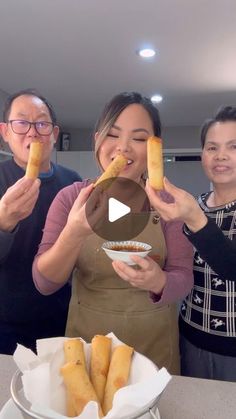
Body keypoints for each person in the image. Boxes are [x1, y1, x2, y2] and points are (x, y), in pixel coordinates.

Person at [32, 91, 193, 373]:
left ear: (154, 148)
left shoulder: (168, 203)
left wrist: (159, 281)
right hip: (88, 351)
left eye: (139, 138)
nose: (123, 148)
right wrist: (73, 232)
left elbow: (184, 276)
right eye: (113, 135)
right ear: (97, 140)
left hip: (154, 354)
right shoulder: (70, 198)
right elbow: (45, 283)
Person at [146, 105, 236, 381]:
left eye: (233, 147)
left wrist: (196, 220)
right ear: (202, 156)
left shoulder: (190, 212)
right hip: (190, 339)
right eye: (212, 148)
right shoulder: (191, 206)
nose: (221, 155)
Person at [0, 89, 82, 355]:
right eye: (21, 122)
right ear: (5, 132)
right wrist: (3, 222)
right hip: (5, 321)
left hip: (61, 315)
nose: (32, 132)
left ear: (54, 134)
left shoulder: (72, 181)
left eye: (42, 123)